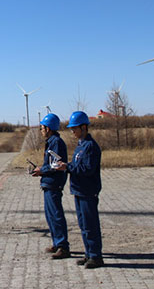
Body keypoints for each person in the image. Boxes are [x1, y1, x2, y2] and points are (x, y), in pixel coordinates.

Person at [56, 111, 104, 269]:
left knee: (91, 224)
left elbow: (87, 169)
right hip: (79, 190)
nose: (72, 132)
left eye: (74, 128)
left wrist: (67, 167)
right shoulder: (80, 145)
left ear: (84, 127)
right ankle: (89, 253)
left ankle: (96, 256)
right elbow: (77, 165)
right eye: (71, 129)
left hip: (87, 191)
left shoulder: (90, 147)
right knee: (83, 225)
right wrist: (67, 165)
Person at [31, 113, 70, 259]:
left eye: (42, 128)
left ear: (48, 128)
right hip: (48, 183)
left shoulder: (56, 143)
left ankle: (63, 246)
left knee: (56, 215)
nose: (41, 130)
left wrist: (43, 170)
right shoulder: (51, 142)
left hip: (54, 183)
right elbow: (51, 163)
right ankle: (56, 242)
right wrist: (41, 171)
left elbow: (56, 164)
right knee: (50, 215)